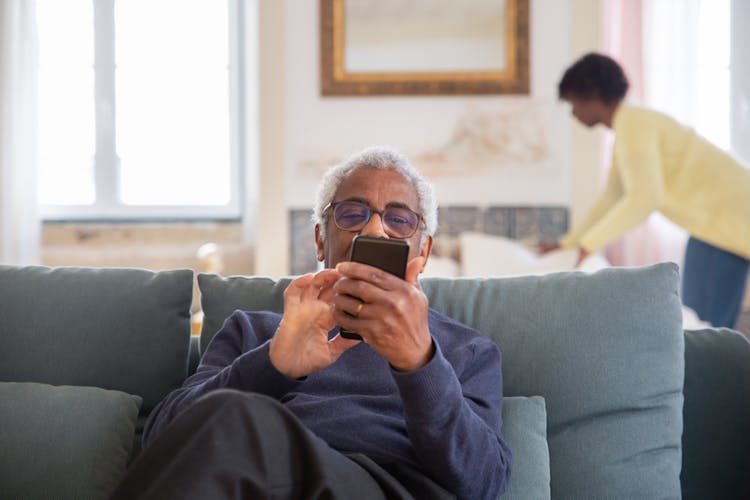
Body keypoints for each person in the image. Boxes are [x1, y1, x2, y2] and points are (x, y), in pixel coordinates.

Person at [111, 146, 511, 500]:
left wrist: (419, 363)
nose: (374, 229)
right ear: (320, 240)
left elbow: (483, 482)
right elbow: (164, 441)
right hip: (256, 480)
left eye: (399, 220)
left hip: (384, 486)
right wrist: (273, 364)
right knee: (234, 416)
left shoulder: (464, 349)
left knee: (238, 417)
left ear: (423, 250)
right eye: (352, 214)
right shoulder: (256, 332)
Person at [551, 52, 750, 329]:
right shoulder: (631, 124)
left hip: (725, 225)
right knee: (701, 330)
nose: (572, 113)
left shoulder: (634, 125)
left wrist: (587, 245)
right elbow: (612, 196)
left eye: (573, 103)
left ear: (593, 94)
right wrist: (570, 244)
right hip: (716, 227)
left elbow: (645, 198)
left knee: (705, 332)